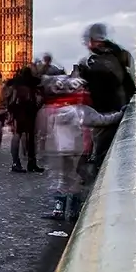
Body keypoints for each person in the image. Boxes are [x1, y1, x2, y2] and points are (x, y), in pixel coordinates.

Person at [40, 76, 124, 220]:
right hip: (78, 150)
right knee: (76, 180)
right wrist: (120, 114)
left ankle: (58, 209)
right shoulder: (82, 110)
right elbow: (102, 121)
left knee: (62, 179)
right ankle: (74, 211)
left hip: (61, 150)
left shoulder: (57, 109)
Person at [80, 23, 136, 170]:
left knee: (103, 158)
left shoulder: (97, 63)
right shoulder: (120, 55)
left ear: (94, 41)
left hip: (108, 114)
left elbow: (99, 94)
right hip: (120, 110)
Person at [6, 66, 44, 173]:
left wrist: (10, 112)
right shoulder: (33, 82)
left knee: (17, 135)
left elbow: (9, 97)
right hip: (30, 111)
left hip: (18, 111)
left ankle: (15, 162)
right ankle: (31, 162)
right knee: (31, 137)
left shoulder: (15, 82)